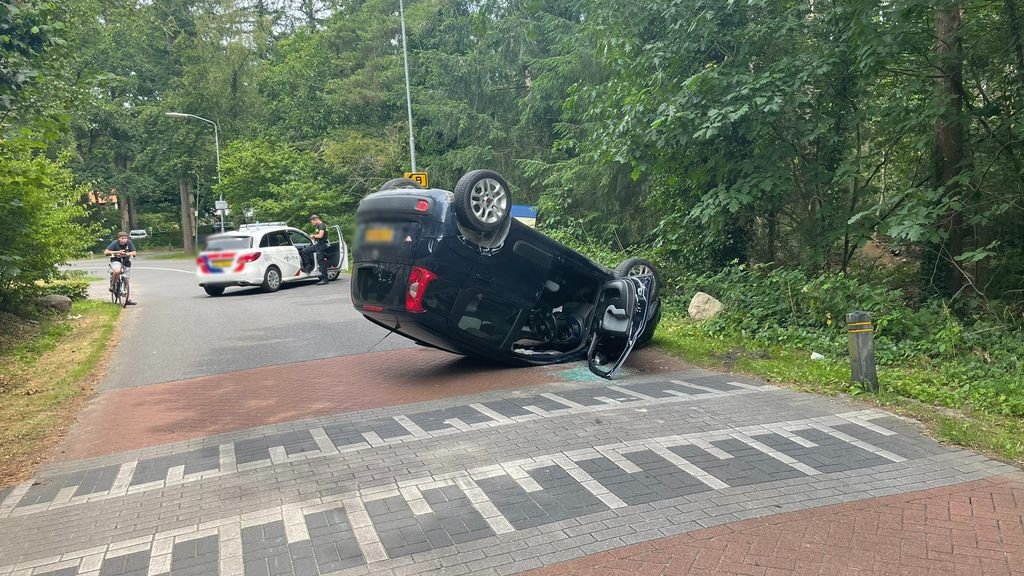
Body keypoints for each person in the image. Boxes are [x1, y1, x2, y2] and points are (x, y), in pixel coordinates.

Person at [104, 231, 138, 305]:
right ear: (119, 239)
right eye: (122, 238)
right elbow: (106, 252)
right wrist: (117, 252)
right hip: (116, 261)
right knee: (117, 271)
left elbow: (134, 252)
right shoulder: (115, 243)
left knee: (126, 280)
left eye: (125, 238)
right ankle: (113, 285)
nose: (124, 240)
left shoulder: (129, 243)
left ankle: (127, 298)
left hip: (126, 262)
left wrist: (126, 254)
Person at [302, 214, 330, 285]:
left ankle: (325, 279)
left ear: (316, 219)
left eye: (313, 222)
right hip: (318, 245)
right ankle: (308, 266)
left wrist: (313, 235)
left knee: (321, 262)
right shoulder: (318, 226)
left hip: (321, 246)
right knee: (305, 250)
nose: (313, 223)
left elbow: (320, 235)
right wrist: (314, 237)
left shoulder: (322, 225)